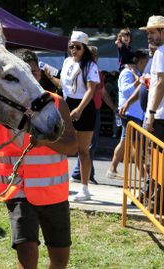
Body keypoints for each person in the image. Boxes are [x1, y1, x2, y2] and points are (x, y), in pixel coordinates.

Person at [0, 48, 77, 269]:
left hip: (54, 193)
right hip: (18, 191)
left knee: (60, 259)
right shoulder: (0, 107)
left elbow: (73, 146)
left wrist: (46, 141)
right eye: (26, 74)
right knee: (27, 255)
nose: (32, 78)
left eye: (34, 72)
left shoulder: (56, 103)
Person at [55, 31, 100, 201]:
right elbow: (63, 84)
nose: (73, 50)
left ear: (85, 48)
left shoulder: (90, 65)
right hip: (67, 104)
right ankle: (61, 182)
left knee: (82, 150)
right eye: (71, 46)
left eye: (77, 47)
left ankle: (84, 187)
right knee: (62, 146)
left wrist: (80, 109)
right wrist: (49, 75)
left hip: (84, 107)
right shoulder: (67, 62)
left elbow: (91, 90)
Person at [69, 46, 117, 184]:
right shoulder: (90, 70)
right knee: (88, 146)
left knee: (87, 146)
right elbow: (100, 92)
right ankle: (82, 174)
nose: (95, 57)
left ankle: (83, 173)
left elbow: (101, 93)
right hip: (89, 110)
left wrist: (113, 107)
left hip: (87, 109)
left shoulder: (90, 71)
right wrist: (113, 107)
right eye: (93, 54)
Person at [108, 50, 149, 178]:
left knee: (125, 142)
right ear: (141, 61)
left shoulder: (137, 73)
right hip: (129, 113)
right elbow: (125, 92)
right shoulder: (126, 72)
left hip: (135, 113)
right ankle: (142, 173)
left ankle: (112, 169)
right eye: (146, 62)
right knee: (135, 143)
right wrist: (138, 82)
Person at [142, 15, 164, 139]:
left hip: (159, 116)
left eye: (152, 32)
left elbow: (161, 83)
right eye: (147, 33)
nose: (149, 36)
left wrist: (151, 113)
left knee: (157, 157)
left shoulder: (161, 52)